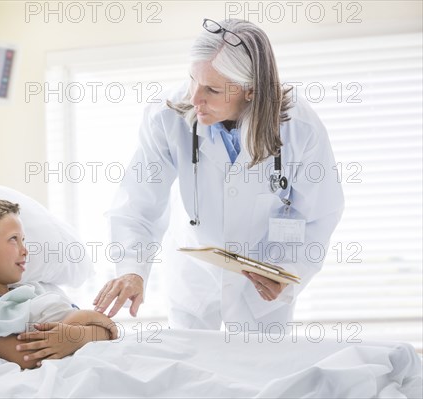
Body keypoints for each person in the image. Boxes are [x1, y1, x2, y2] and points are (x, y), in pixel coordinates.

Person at [93, 18, 344, 331]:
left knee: (261, 373)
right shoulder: (167, 117)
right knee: (193, 370)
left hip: (264, 281)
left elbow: (320, 213)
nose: (194, 98)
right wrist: (132, 268)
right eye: (192, 80)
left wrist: (290, 269)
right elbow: (137, 204)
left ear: (250, 90)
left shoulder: (299, 128)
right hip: (195, 280)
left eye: (211, 89)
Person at [0, 198, 117, 369]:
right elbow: (27, 357)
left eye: (23, 239)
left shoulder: (33, 289)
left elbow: (108, 332)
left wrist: (76, 333)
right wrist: (85, 320)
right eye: (13, 239)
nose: (25, 250)